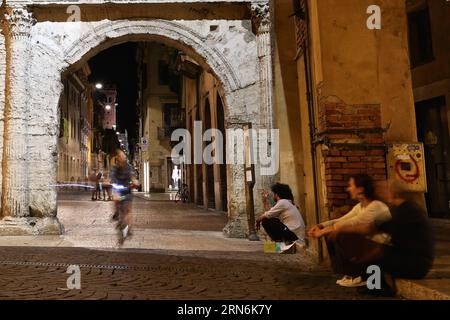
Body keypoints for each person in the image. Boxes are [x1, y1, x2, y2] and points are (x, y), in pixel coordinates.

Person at [308, 174, 392, 287]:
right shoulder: (360, 206)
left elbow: (352, 223)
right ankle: (350, 274)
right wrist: (320, 226)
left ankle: (358, 274)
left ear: (360, 189)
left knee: (340, 234)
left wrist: (322, 231)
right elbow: (341, 220)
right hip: (370, 245)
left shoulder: (376, 206)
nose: (348, 189)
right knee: (333, 232)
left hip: (383, 248)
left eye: (350, 185)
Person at [256, 183, 306, 253]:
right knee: (268, 248)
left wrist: (258, 220)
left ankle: (284, 246)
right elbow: (270, 212)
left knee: (265, 221)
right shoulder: (288, 203)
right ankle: (283, 246)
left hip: (293, 236)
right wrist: (265, 201)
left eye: (273, 194)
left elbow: (267, 215)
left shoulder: (282, 202)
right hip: (295, 235)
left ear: (276, 195)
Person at [110, 149, 139, 245]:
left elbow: (132, 176)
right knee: (114, 198)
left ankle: (129, 227)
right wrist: (110, 182)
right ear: (118, 159)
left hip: (127, 190)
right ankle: (115, 213)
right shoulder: (115, 168)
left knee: (128, 210)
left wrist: (134, 181)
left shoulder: (129, 167)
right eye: (120, 157)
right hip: (118, 190)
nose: (122, 158)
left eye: (123, 157)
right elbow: (112, 177)